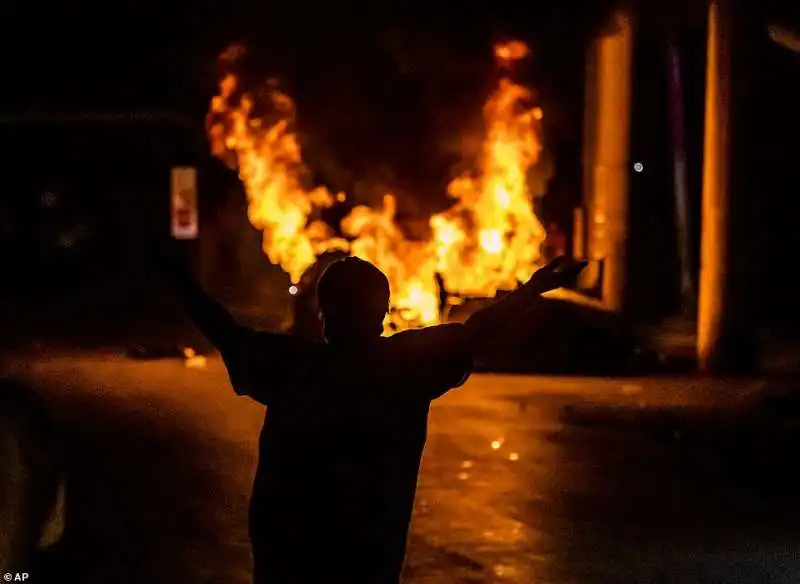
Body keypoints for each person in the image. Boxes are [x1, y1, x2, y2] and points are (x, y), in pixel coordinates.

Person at [157, 245, 585, 584]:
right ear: (383, 314)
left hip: (288, 553)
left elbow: (225, 331)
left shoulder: (293, 367)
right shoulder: (405, 367)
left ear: (322, 315)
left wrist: (179, 281)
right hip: (370, 554)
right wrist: (533, 287)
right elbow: (478, 331)